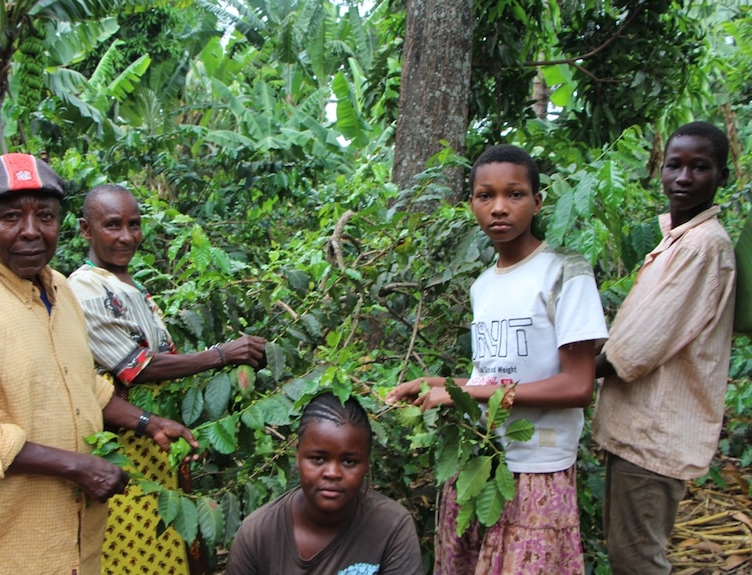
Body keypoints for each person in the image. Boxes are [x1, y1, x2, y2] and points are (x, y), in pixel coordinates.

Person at [0, 153, 198, 575]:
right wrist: (78, 466)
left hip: (74, 544)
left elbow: (82, 385)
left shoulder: (62, 291)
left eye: (44, 216)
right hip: (0, 548)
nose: (30, 232)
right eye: (11, 217)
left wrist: (149, 423)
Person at [385, 144, 608, 574]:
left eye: (515, 194)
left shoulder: (565, 271)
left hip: (537, 468)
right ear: (471, 203)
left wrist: (459, 394)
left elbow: (578, 386)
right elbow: (491, 375)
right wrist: (437, 384)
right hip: (478, 465)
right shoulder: (483, 285)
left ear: (538, 202)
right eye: (486, 196)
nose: (499, 208)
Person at [67, 183, 267, 574]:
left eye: (134, 224)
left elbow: (163, 363)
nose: (126, 237)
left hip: (158, 442)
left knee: (170, 542)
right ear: (85, 230)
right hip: (122, 447)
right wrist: (222, 355)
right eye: (112, 225)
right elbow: (138, 366)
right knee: (135, 545)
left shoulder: (128, 286)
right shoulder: (85, 288)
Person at [592, 122, 736, 575]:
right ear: (661, 169)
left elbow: (633, 350)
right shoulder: (676, 240)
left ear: (722, 177)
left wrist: (558, 374)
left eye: (700, 167)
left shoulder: (702, 247)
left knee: (637, 561)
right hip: (638, 432)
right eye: (675, 165)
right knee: (626, 553)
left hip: (655, 436)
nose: (685, 178)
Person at [224, 392, 424, 575]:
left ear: (366, 463)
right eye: (318, 459)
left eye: (349, 461)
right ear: (298, 456)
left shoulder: (391, 527)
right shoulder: (257, 534)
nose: (332, 473)